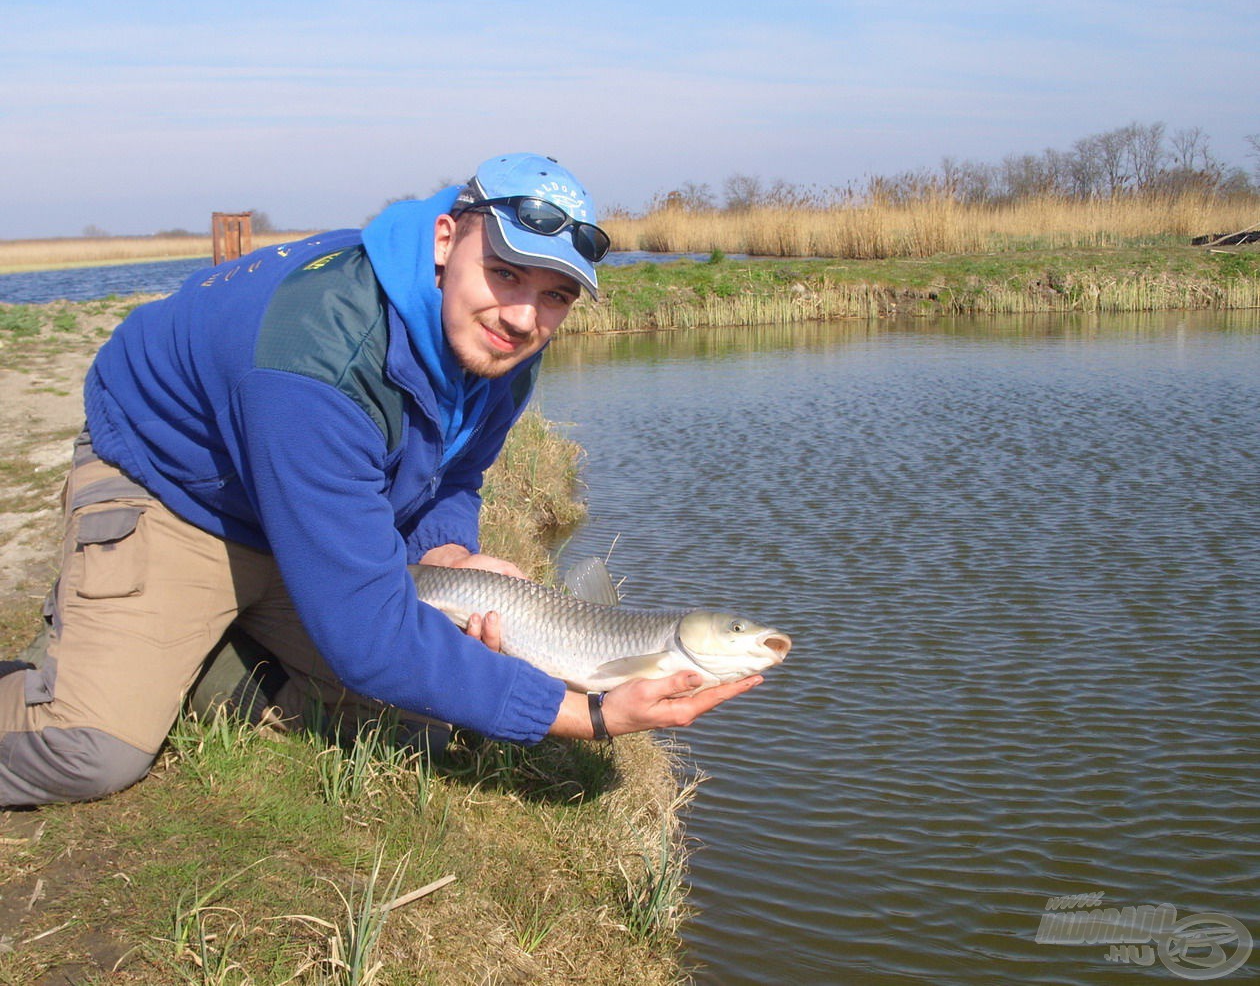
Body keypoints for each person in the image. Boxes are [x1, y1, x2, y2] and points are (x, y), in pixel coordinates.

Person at [0, 153, 761, 807]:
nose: (525, 317)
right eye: (504, 273)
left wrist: (448, 553)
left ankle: (209, 655)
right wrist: (586, 716)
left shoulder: (498, 348)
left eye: (555, 294)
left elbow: (454, 468)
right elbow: (370, 637)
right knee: (91, 752)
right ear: (444, 240)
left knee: (424, 718)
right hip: (176, 486)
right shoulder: (319, 357)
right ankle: (117, 651)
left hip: (301, 499)